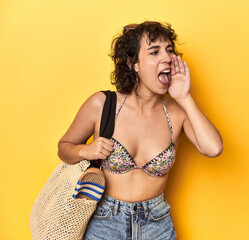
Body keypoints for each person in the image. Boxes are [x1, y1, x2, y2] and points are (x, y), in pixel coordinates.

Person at [57, 21, 223, 240]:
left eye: (169, 50)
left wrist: (184, 97)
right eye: (154, 52)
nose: (166, 58)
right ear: (133, 63)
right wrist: (85, 151)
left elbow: (213, 148)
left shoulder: (177, 113)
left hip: (156, 224)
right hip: (104, 222)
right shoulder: (102, 104)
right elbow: (64, 148)